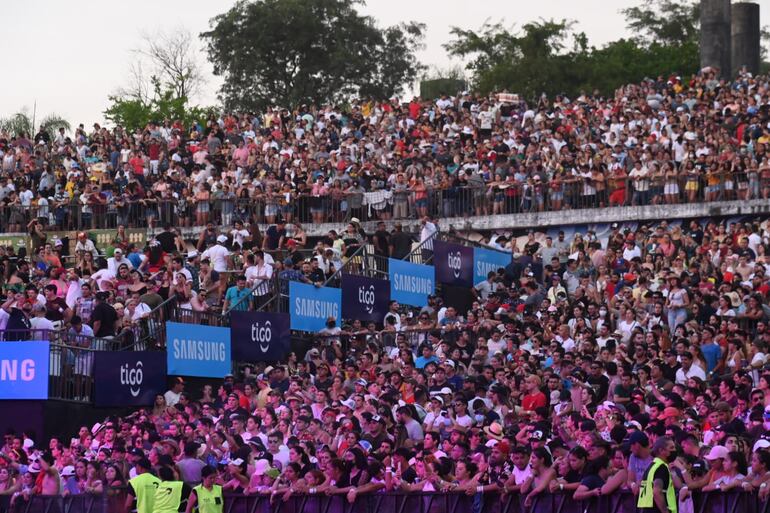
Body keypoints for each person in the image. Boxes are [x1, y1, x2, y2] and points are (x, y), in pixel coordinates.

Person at [637, 436, 677, 513]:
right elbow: (656, 492)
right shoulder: (661, 467)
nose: (674, 450)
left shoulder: (651, 467)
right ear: (661, 450)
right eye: (671, 448)